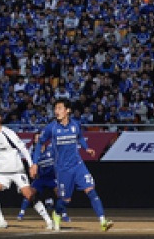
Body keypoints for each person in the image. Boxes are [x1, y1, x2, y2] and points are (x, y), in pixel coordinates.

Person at [39, 99, 113, 231]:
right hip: (62, 169)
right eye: (55, 108)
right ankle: (56, 213)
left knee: (90, 189)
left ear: (68, 110)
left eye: (60, 108)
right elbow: (40, 142)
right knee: (65, 200)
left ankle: (103, 221)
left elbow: (79, 137)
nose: (57, 111)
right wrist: (34, 163)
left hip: (78, 165)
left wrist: (87, 148)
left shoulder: (75, 125)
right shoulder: (52, 127)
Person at [0, 107, 53, 230]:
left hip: (17, 171)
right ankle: (1, 221)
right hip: (1, 172)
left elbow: (23, 149)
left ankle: (49, 221)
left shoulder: (8, 133)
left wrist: (31, 165)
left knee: (29, 195)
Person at [17, 134, 67, 224]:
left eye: (40, 138)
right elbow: (32, 168)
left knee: (60, 194)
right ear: (34, 141)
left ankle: (63, 214)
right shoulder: (33, 154)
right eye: (36, 138)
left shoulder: (51, 150)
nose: (39, 140)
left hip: (52, 178)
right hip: (40, 179)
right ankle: (21, 213)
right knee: (29, 193)